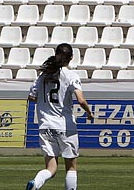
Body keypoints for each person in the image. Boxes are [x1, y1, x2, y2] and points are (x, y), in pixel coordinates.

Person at [25, 43, 94, 190]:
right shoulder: (71, 76)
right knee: (71, 167)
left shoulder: (42, 76)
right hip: (65, 127)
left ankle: (36, 183)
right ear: (71, 58)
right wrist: (89, 112)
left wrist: (45, 101)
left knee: (51, 169)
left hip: (45, 126)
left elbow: (31, 97)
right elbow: (81, 100)